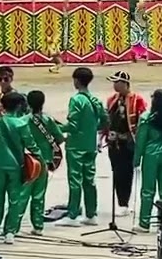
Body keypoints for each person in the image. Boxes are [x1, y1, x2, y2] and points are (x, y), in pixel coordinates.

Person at [0, 91, 39, 243]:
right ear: (19, 106)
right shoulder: (22, 123)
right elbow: (30, 144)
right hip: (16, 165)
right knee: (15, 199)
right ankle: (10, 232)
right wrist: (40, 157)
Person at [56, 67, 107, 227]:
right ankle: (91, 214)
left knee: (75, 180)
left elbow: (73, 125)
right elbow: (105, 120)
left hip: (76, 146)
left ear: (76, 80)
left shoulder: (77, 100)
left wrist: (57, 128)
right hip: (90, 145)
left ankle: (72, 215)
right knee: (89, 180)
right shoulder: (95, 100)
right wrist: (91, 128)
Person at [132, 89, 162, 232]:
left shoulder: (147, 118)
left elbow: (141, 140)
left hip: (151, 155)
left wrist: (136, 158)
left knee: (147, 190)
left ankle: (144, 222)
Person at [103, 71, 147, 217]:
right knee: (116, 172)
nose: (114, 85)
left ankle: (125, 202)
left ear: (124, 84)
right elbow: (106, 120)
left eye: (117, 82)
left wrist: (141, 143)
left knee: (126, 173)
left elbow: (142, 122)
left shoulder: (137, 100)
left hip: (128, 143)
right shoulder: (111, 100)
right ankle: (120, 201)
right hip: (113, 142)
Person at [25, 89, 64, 236]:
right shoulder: (48, 120)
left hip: (28, 159)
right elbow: (59, 138)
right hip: (44, 161)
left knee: (21, 195)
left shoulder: (24, 120)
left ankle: (12, 228)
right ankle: (38, 226)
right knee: (39, 195)